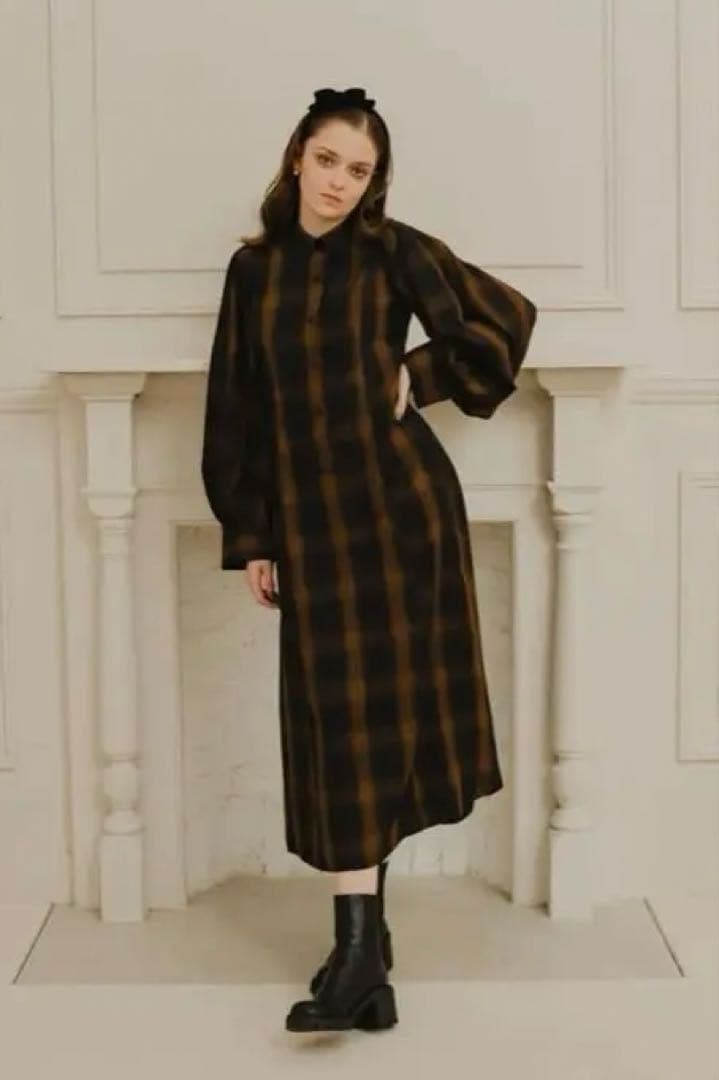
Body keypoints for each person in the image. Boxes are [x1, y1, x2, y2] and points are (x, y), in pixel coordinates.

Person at [200, 86, 538, 1034]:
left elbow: (504, 320)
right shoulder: (253, 273)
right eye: (327, 161)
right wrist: (253, 534)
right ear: (296, 156)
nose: (339, 183)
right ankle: (367, 957)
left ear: (373, 181)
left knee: (371, 724)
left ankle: (356, 957)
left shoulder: (394, 252)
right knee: (337, 722)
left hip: (400, 516)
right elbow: (235, 406)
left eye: (359, 170)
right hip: (311, 527)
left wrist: (417, 376)